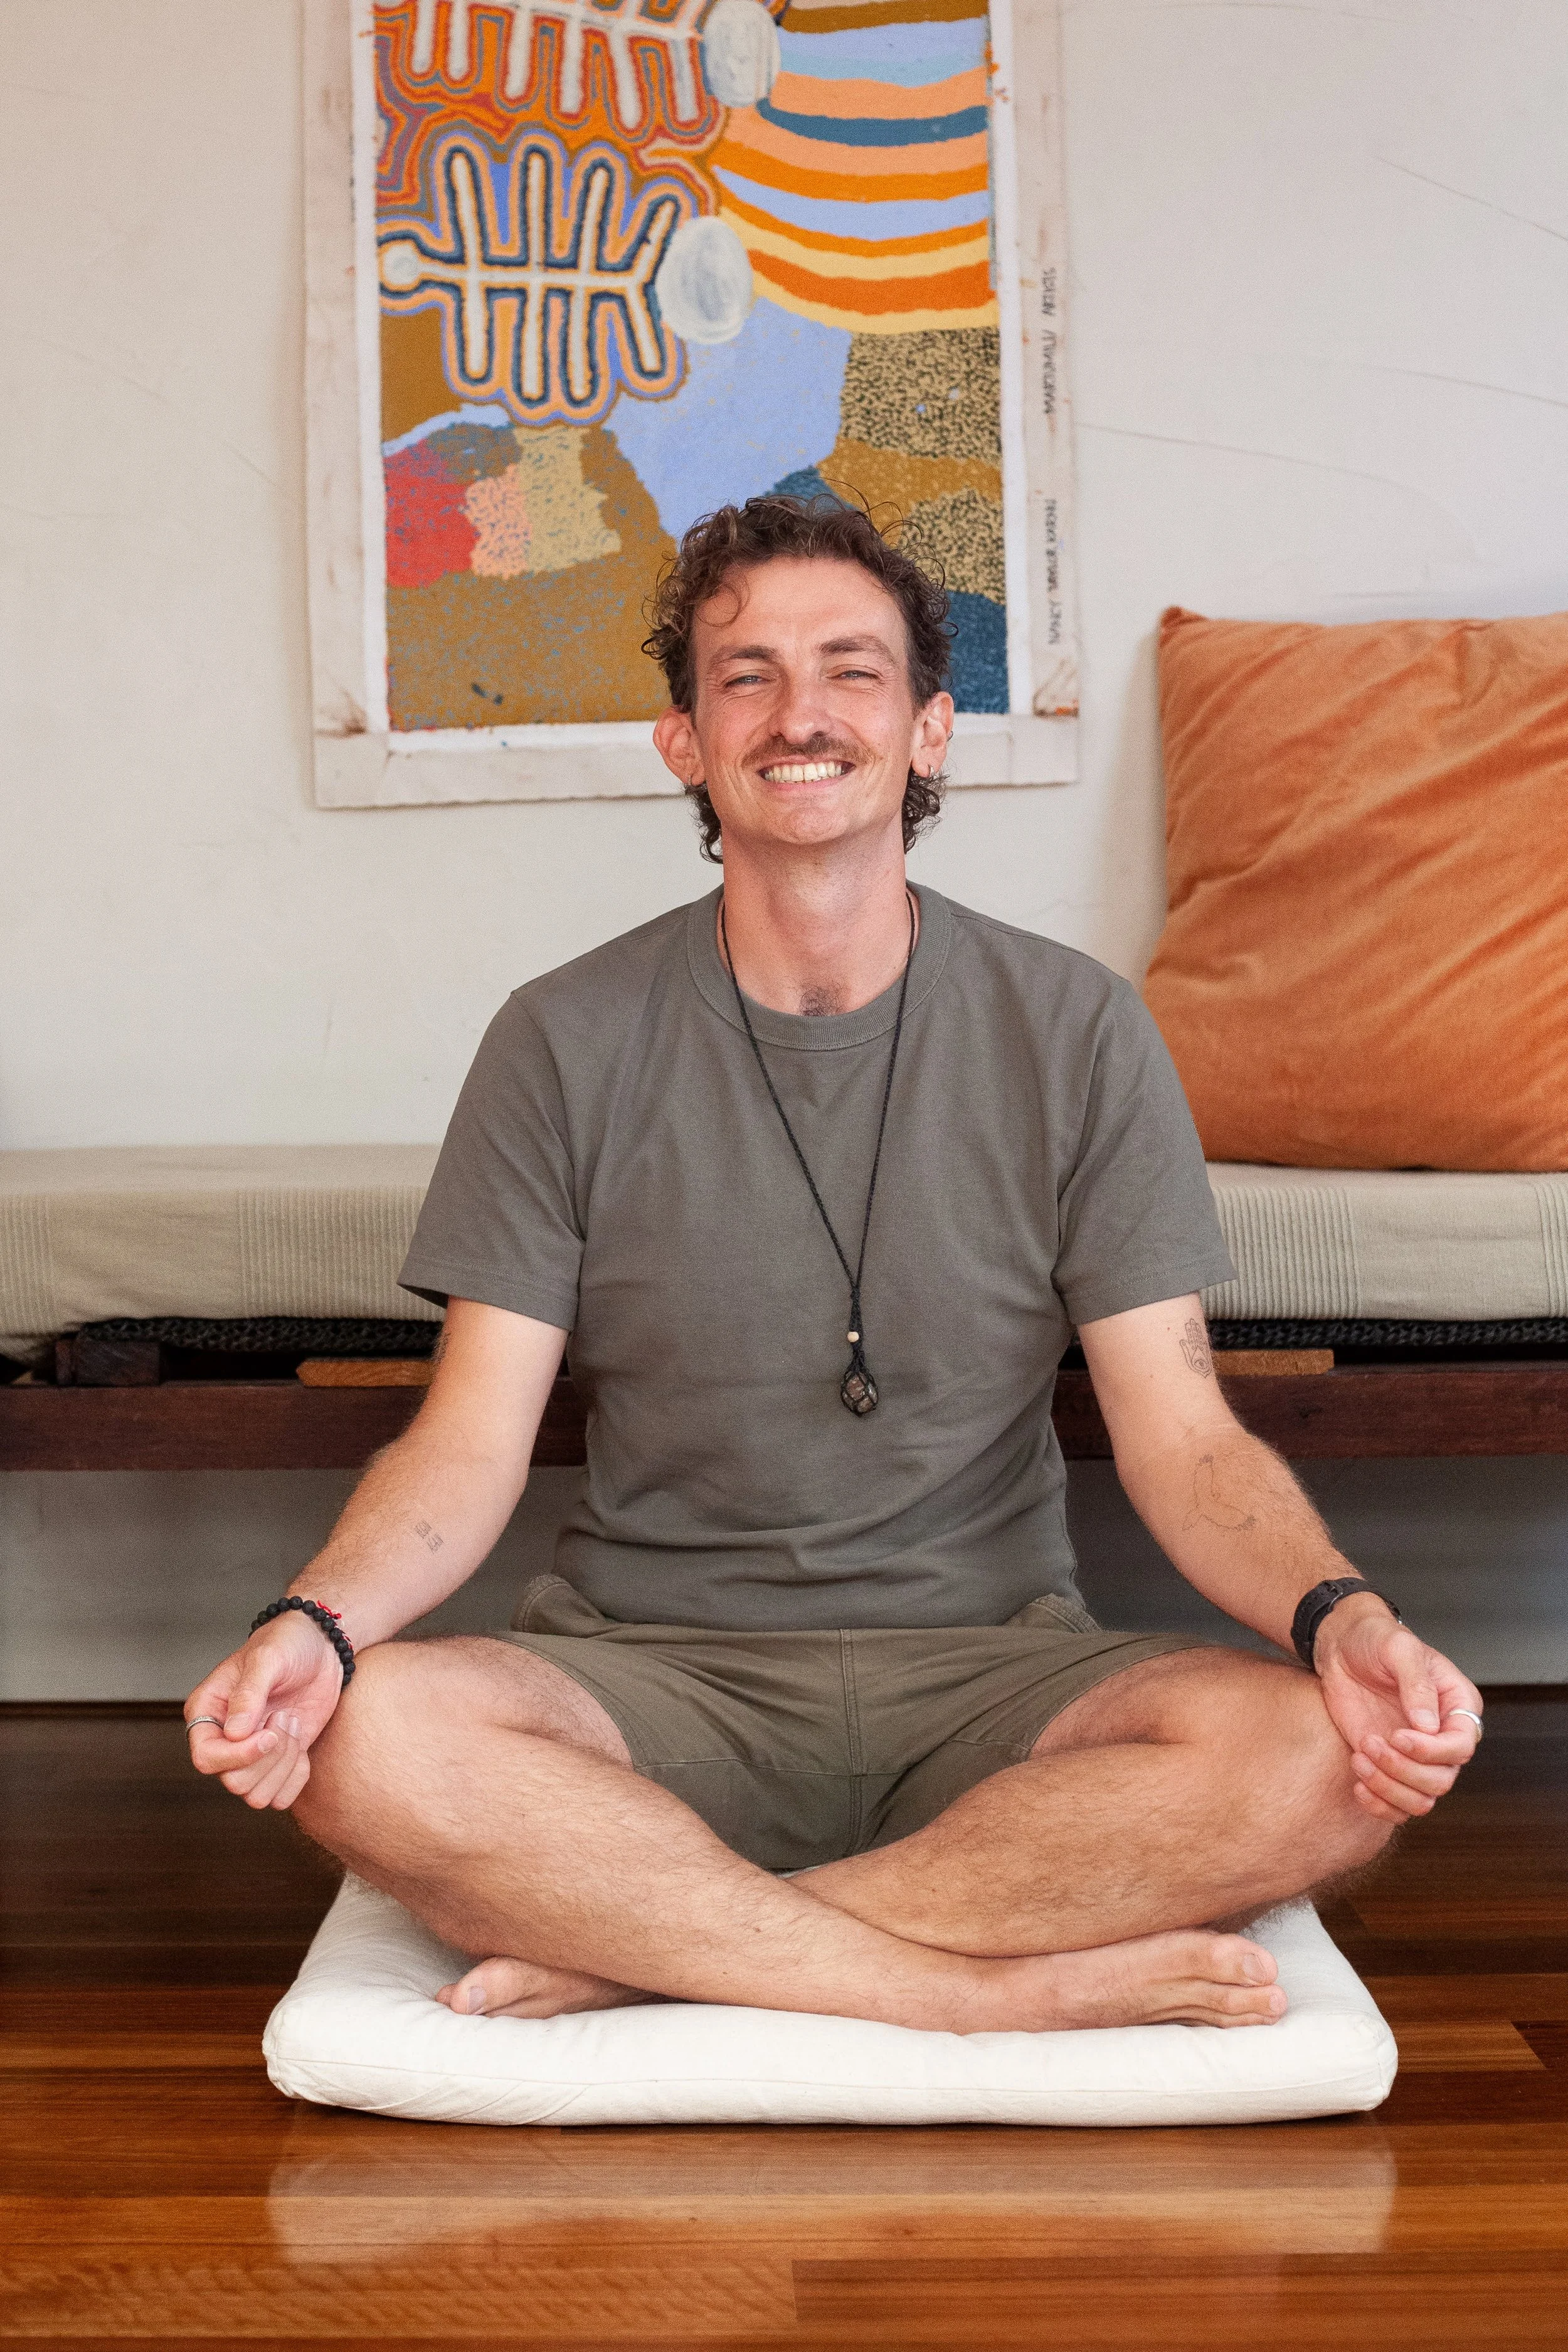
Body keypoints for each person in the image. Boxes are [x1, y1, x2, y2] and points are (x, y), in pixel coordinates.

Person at [185, 497, 1483, 2035]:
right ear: (684, 740)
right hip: (650, 1675)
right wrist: (316, 1625)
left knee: (1330, 1758)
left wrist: (1344, 1619)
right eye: (745, 675)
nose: (799, 712)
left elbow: (1184, 1438)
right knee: (366, 1740)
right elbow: (465, 1448)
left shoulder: (1073, 1030)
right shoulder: (560, 1039)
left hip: (994, 1675)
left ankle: (643, 1956)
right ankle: (970, 1996)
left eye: (851, 671)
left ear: (929, 731)